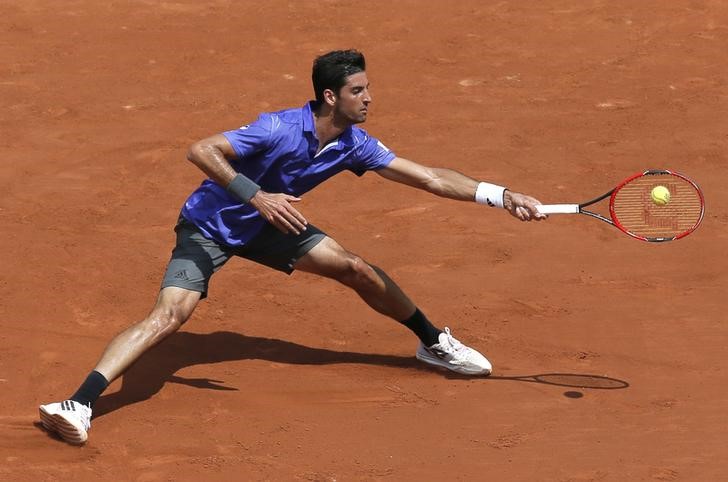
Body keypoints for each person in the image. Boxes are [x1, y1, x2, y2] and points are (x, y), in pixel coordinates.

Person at [39, 49, 546, 445]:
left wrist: (503, 196)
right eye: (358, 90)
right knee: (170, 316)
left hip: (272, 226)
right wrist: (256, 196)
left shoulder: (355, 144)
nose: (369, 98)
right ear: (331, 96)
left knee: (354, 268)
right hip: (210, 227)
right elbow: (201, 150)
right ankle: (78, 404)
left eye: (368, 88)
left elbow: (432, 178)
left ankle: (433, 341)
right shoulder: (277, 127)